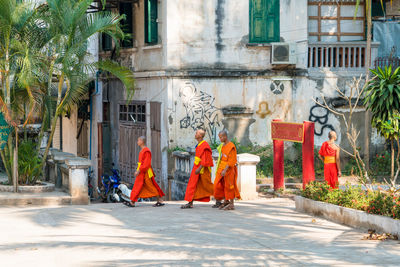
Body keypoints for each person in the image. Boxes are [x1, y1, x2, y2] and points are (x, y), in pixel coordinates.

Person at [124, 136, 165, 207]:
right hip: (142, 171)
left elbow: (146, 164)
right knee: (138, 186)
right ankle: (132, 201)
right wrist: (138, 170)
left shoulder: (146, 151)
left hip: (146, 172)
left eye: (138, 140)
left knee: (150, 186)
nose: (137, 142)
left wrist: (138, 171)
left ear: (142, 141)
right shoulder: (143, 150)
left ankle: (160, 200)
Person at [181, 129, 214, 209]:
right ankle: (190, 202)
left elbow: (205, 158)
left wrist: (199, 168)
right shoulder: (199, 144)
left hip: (202, 168)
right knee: (193, 185)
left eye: (196, 133)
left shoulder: (204, 145)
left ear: (200, 135)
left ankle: (220, 198)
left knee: (207, 185)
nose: (195, 134)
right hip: (196, 167)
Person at [213, 130, 240, 210]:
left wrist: (225, 170)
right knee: (218, 185)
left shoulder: (231, 146)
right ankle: (226, 200)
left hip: (228, 169)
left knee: (229, 186)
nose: (220, 139)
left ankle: (231, 204)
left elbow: (231, 160)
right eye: (219, 137)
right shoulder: (222, 146)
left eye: (221, 137)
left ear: (225, 136)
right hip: (221, 167)